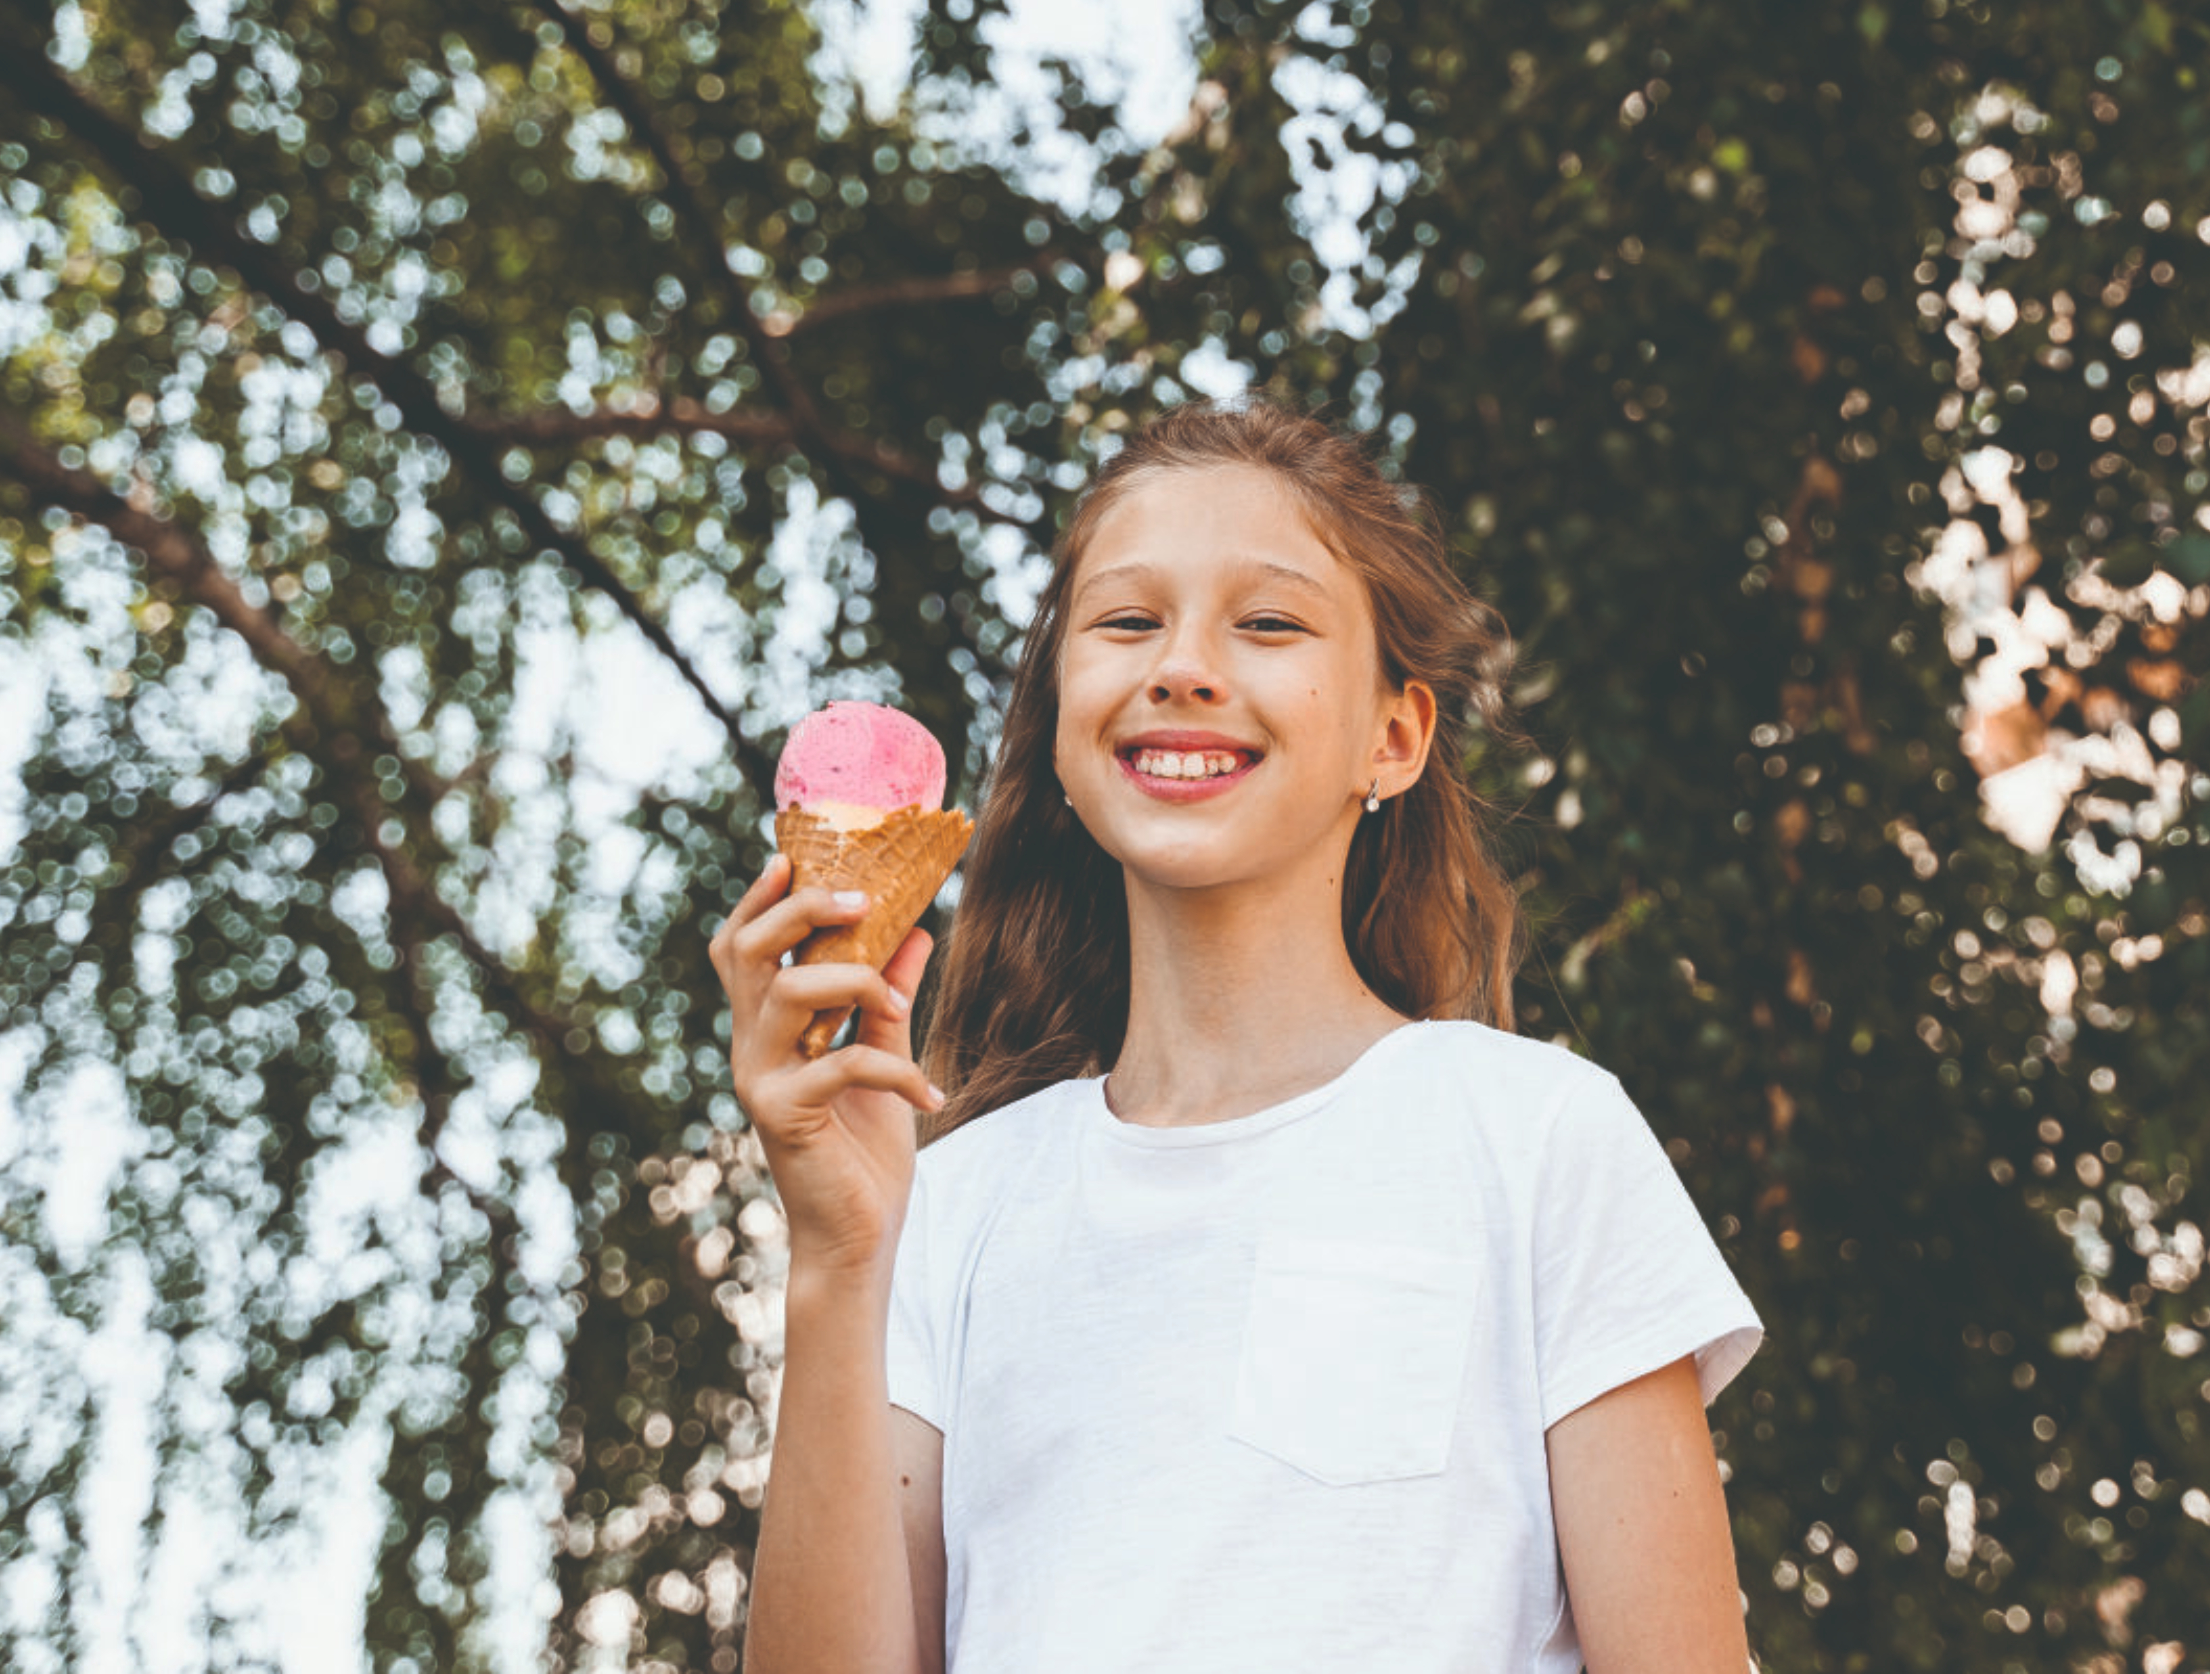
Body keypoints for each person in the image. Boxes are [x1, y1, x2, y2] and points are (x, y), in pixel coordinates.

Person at [707, 396, 1763, 1674]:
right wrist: (835, 1252)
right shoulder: (944, 1205)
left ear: (1394, 736)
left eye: (1267, 623)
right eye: (1127, 621)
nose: (1183, 667)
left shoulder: (1537, 1138)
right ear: (1061, 718)